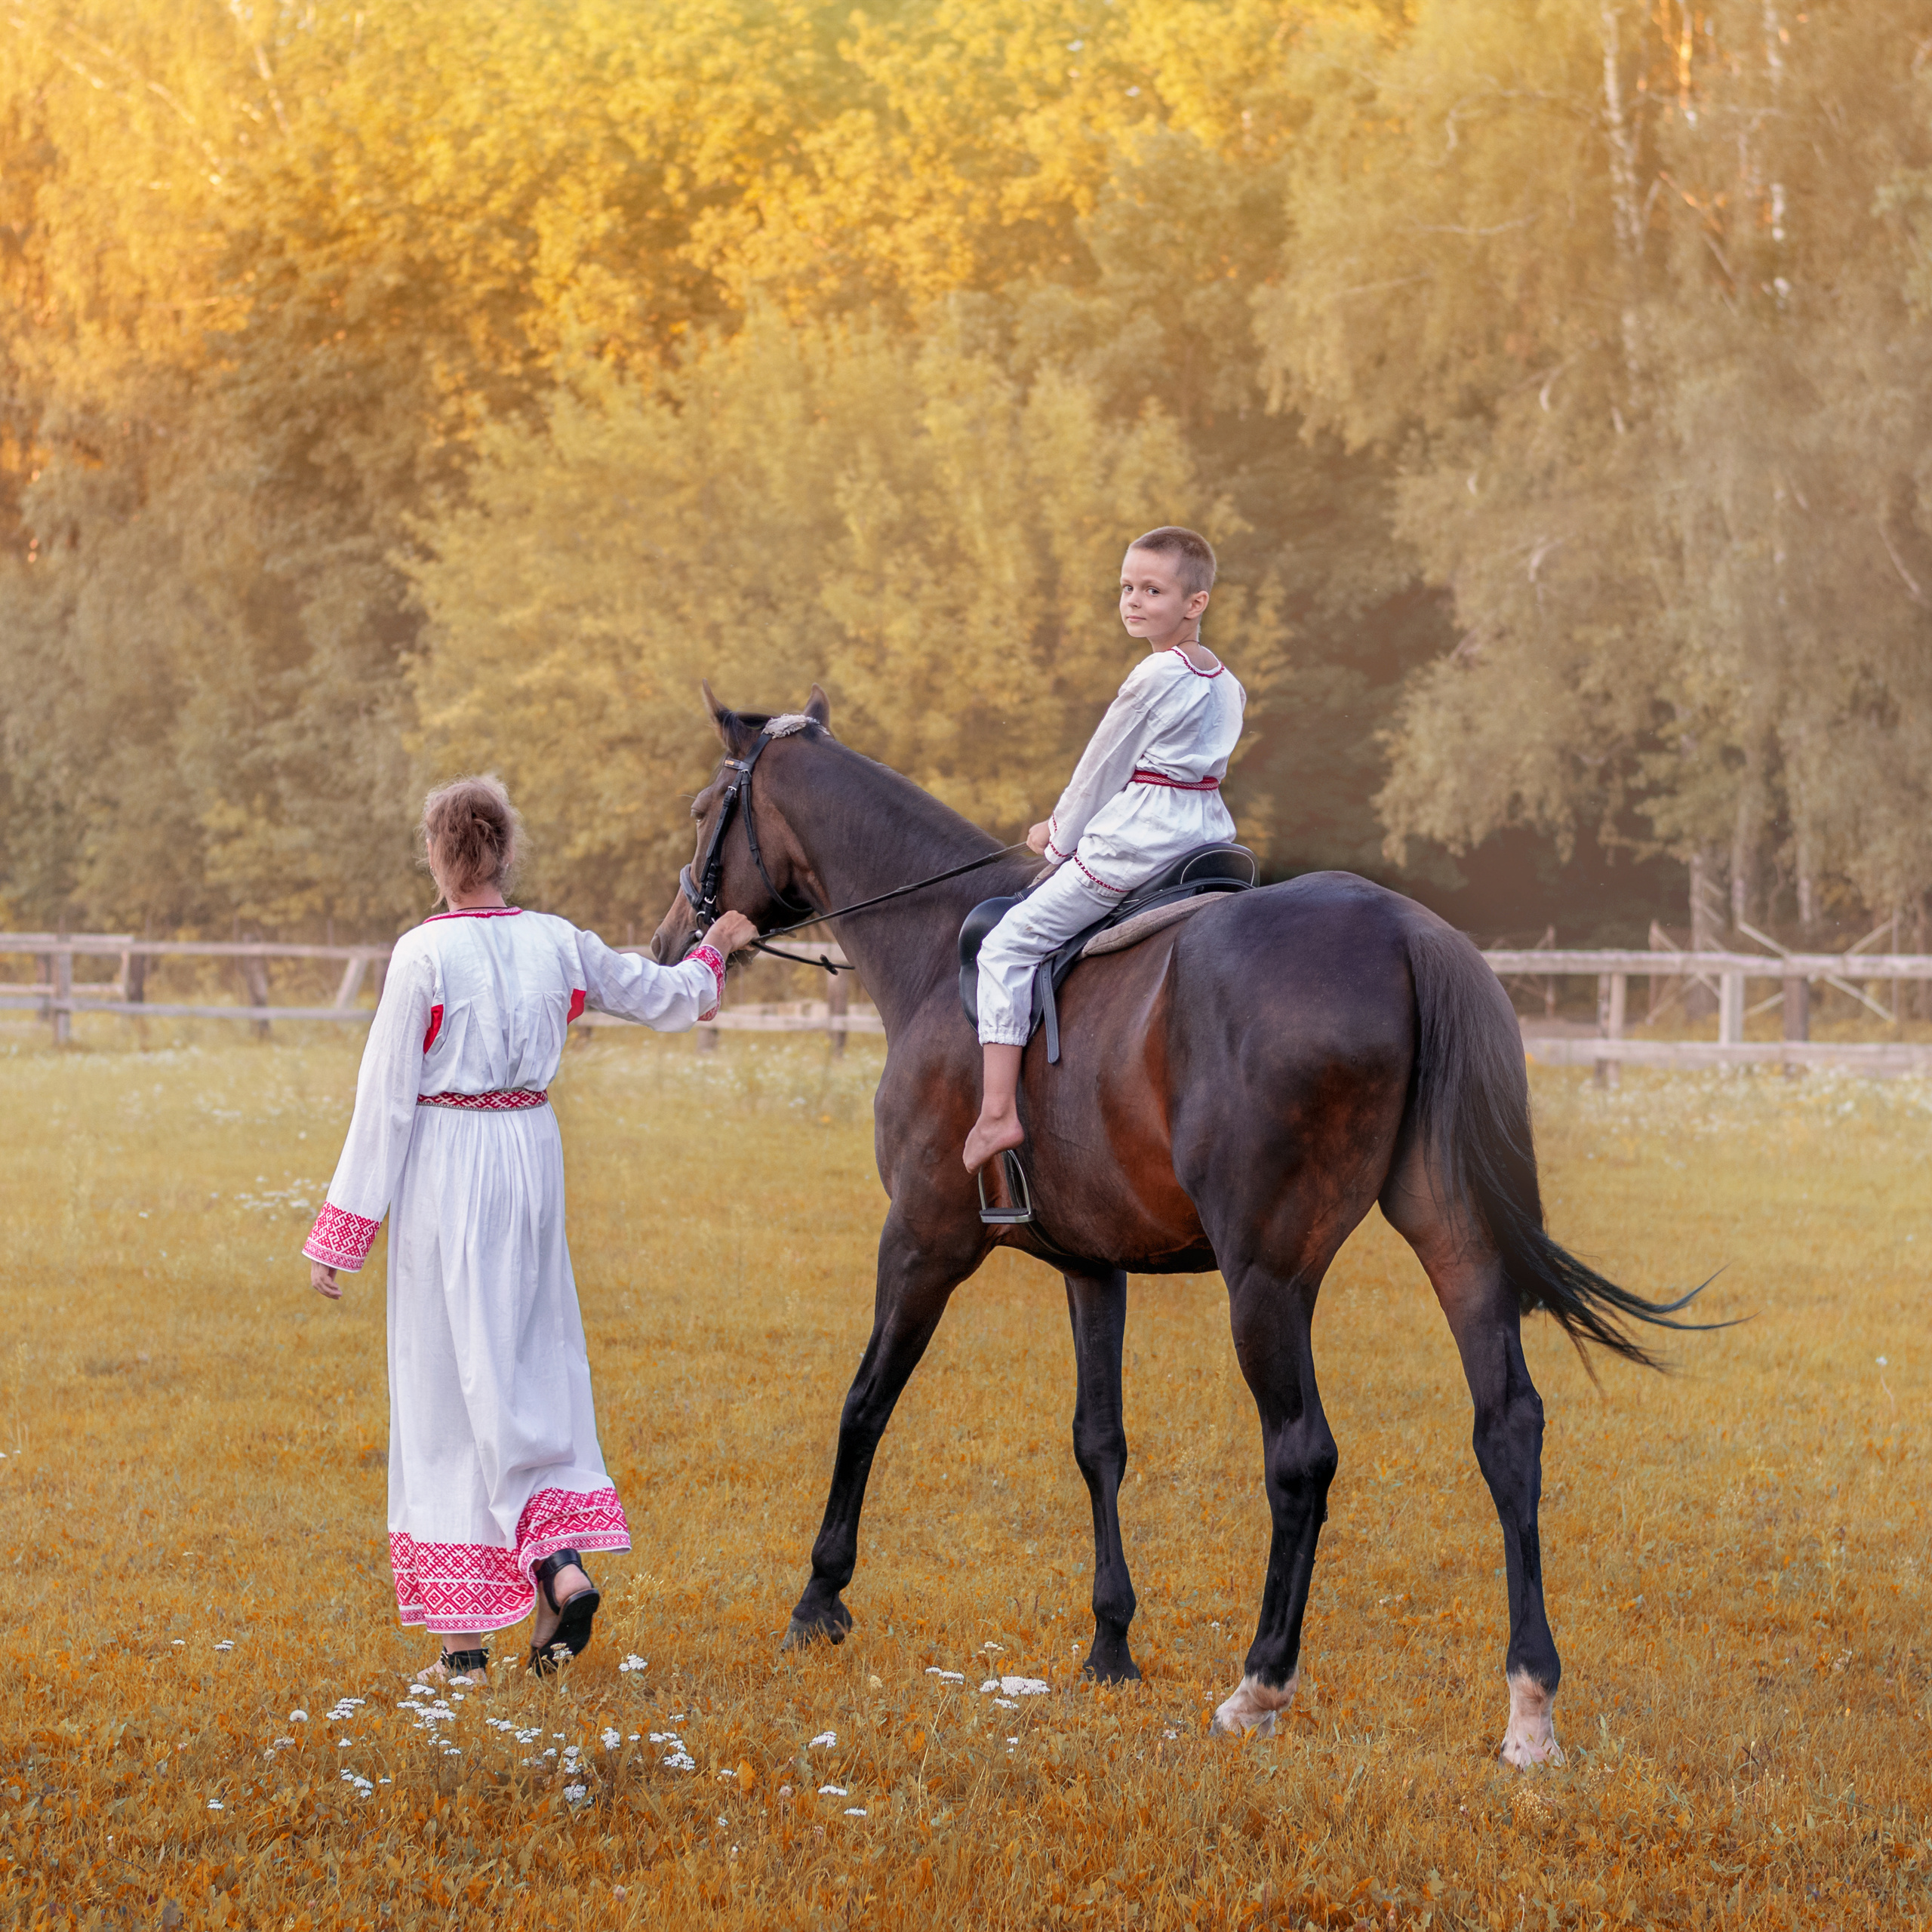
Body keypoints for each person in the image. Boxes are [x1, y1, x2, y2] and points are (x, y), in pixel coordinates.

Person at [301, 775, 755, 1683]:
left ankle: (486, 1630)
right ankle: (548, 1570)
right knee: (529, 1363)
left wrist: (340, 1233)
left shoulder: (423, 955)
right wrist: (716, 950)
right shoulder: (557, 941)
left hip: (449, 1160)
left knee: (444, 1384)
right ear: (504, 853)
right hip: (531, 1156)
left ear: (438, 857)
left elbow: (385, 1100)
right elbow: (663, 995)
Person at [963, 526, 1245, 1174]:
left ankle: (998, 1114)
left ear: (1195, 603)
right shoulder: (1229, 685)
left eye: (1152, 590)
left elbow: (1102, 769)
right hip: (1203, 840)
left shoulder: (1153, 674)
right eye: (1126, 587)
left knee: (1005, 946)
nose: (1133, 601)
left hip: (1136, 845)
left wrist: (1056, 837)